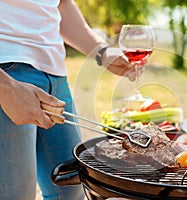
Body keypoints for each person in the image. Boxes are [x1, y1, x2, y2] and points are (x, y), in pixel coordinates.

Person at [0, 0, 136, 199]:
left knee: (71, 189)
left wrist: (102, 51)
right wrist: (6, 88)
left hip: (54, 74)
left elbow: (60, 4)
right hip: (8, 73)